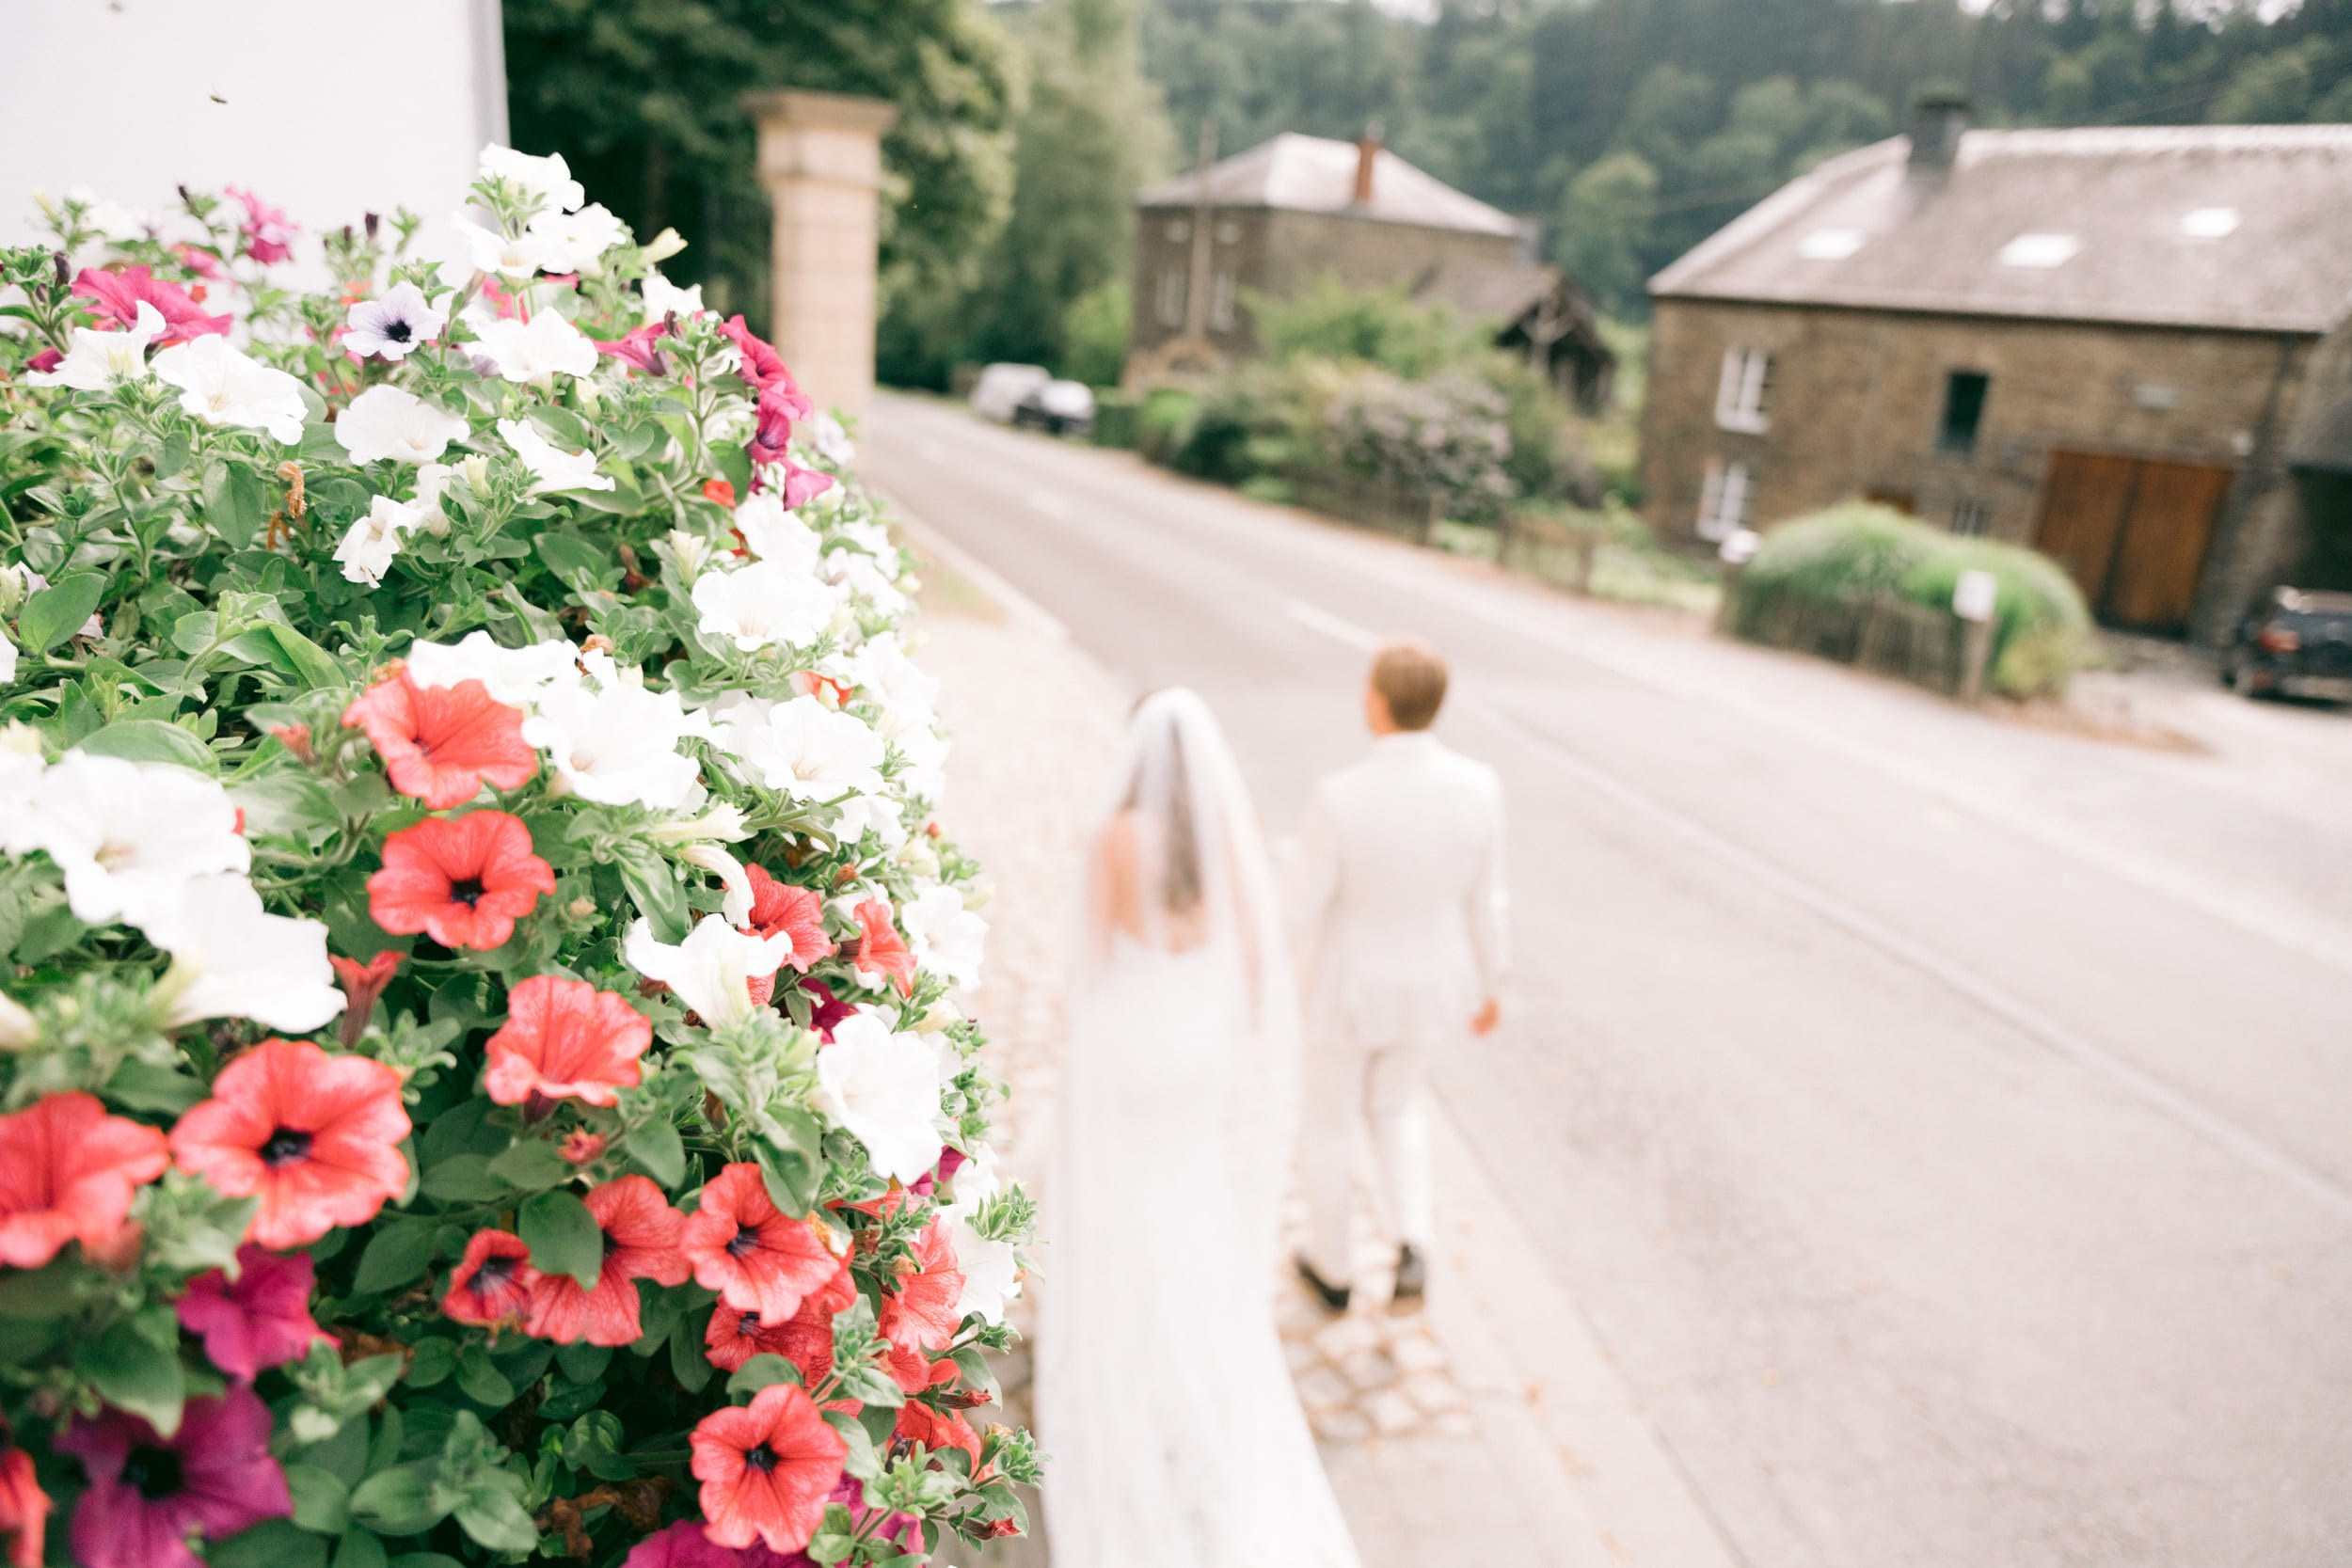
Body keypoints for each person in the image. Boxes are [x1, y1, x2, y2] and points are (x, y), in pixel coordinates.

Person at [1039, 688, 1362, 1568]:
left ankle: (1129, 1354)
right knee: (1183, 1198)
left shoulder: (1117, 837)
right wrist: (1226, 1043)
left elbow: (1093, 956)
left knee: (1119, 1198)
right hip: (1196, 1050)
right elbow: (1260, 965)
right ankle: (1194, 1363)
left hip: (1133, 1039)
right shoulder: (1232, 832)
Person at [1295, 640, 1507, 1311]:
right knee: (1397, 1108)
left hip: (1347, 990)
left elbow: (1299, 907)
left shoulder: (1340, 797)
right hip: (1431, 989)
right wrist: (1493, 982)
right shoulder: (1479, 787)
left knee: (1329, 1122)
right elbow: (1489, 899)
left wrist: (1264, 977)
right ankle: (1413, 1239)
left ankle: (1333, 1268)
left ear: (1380, 702)